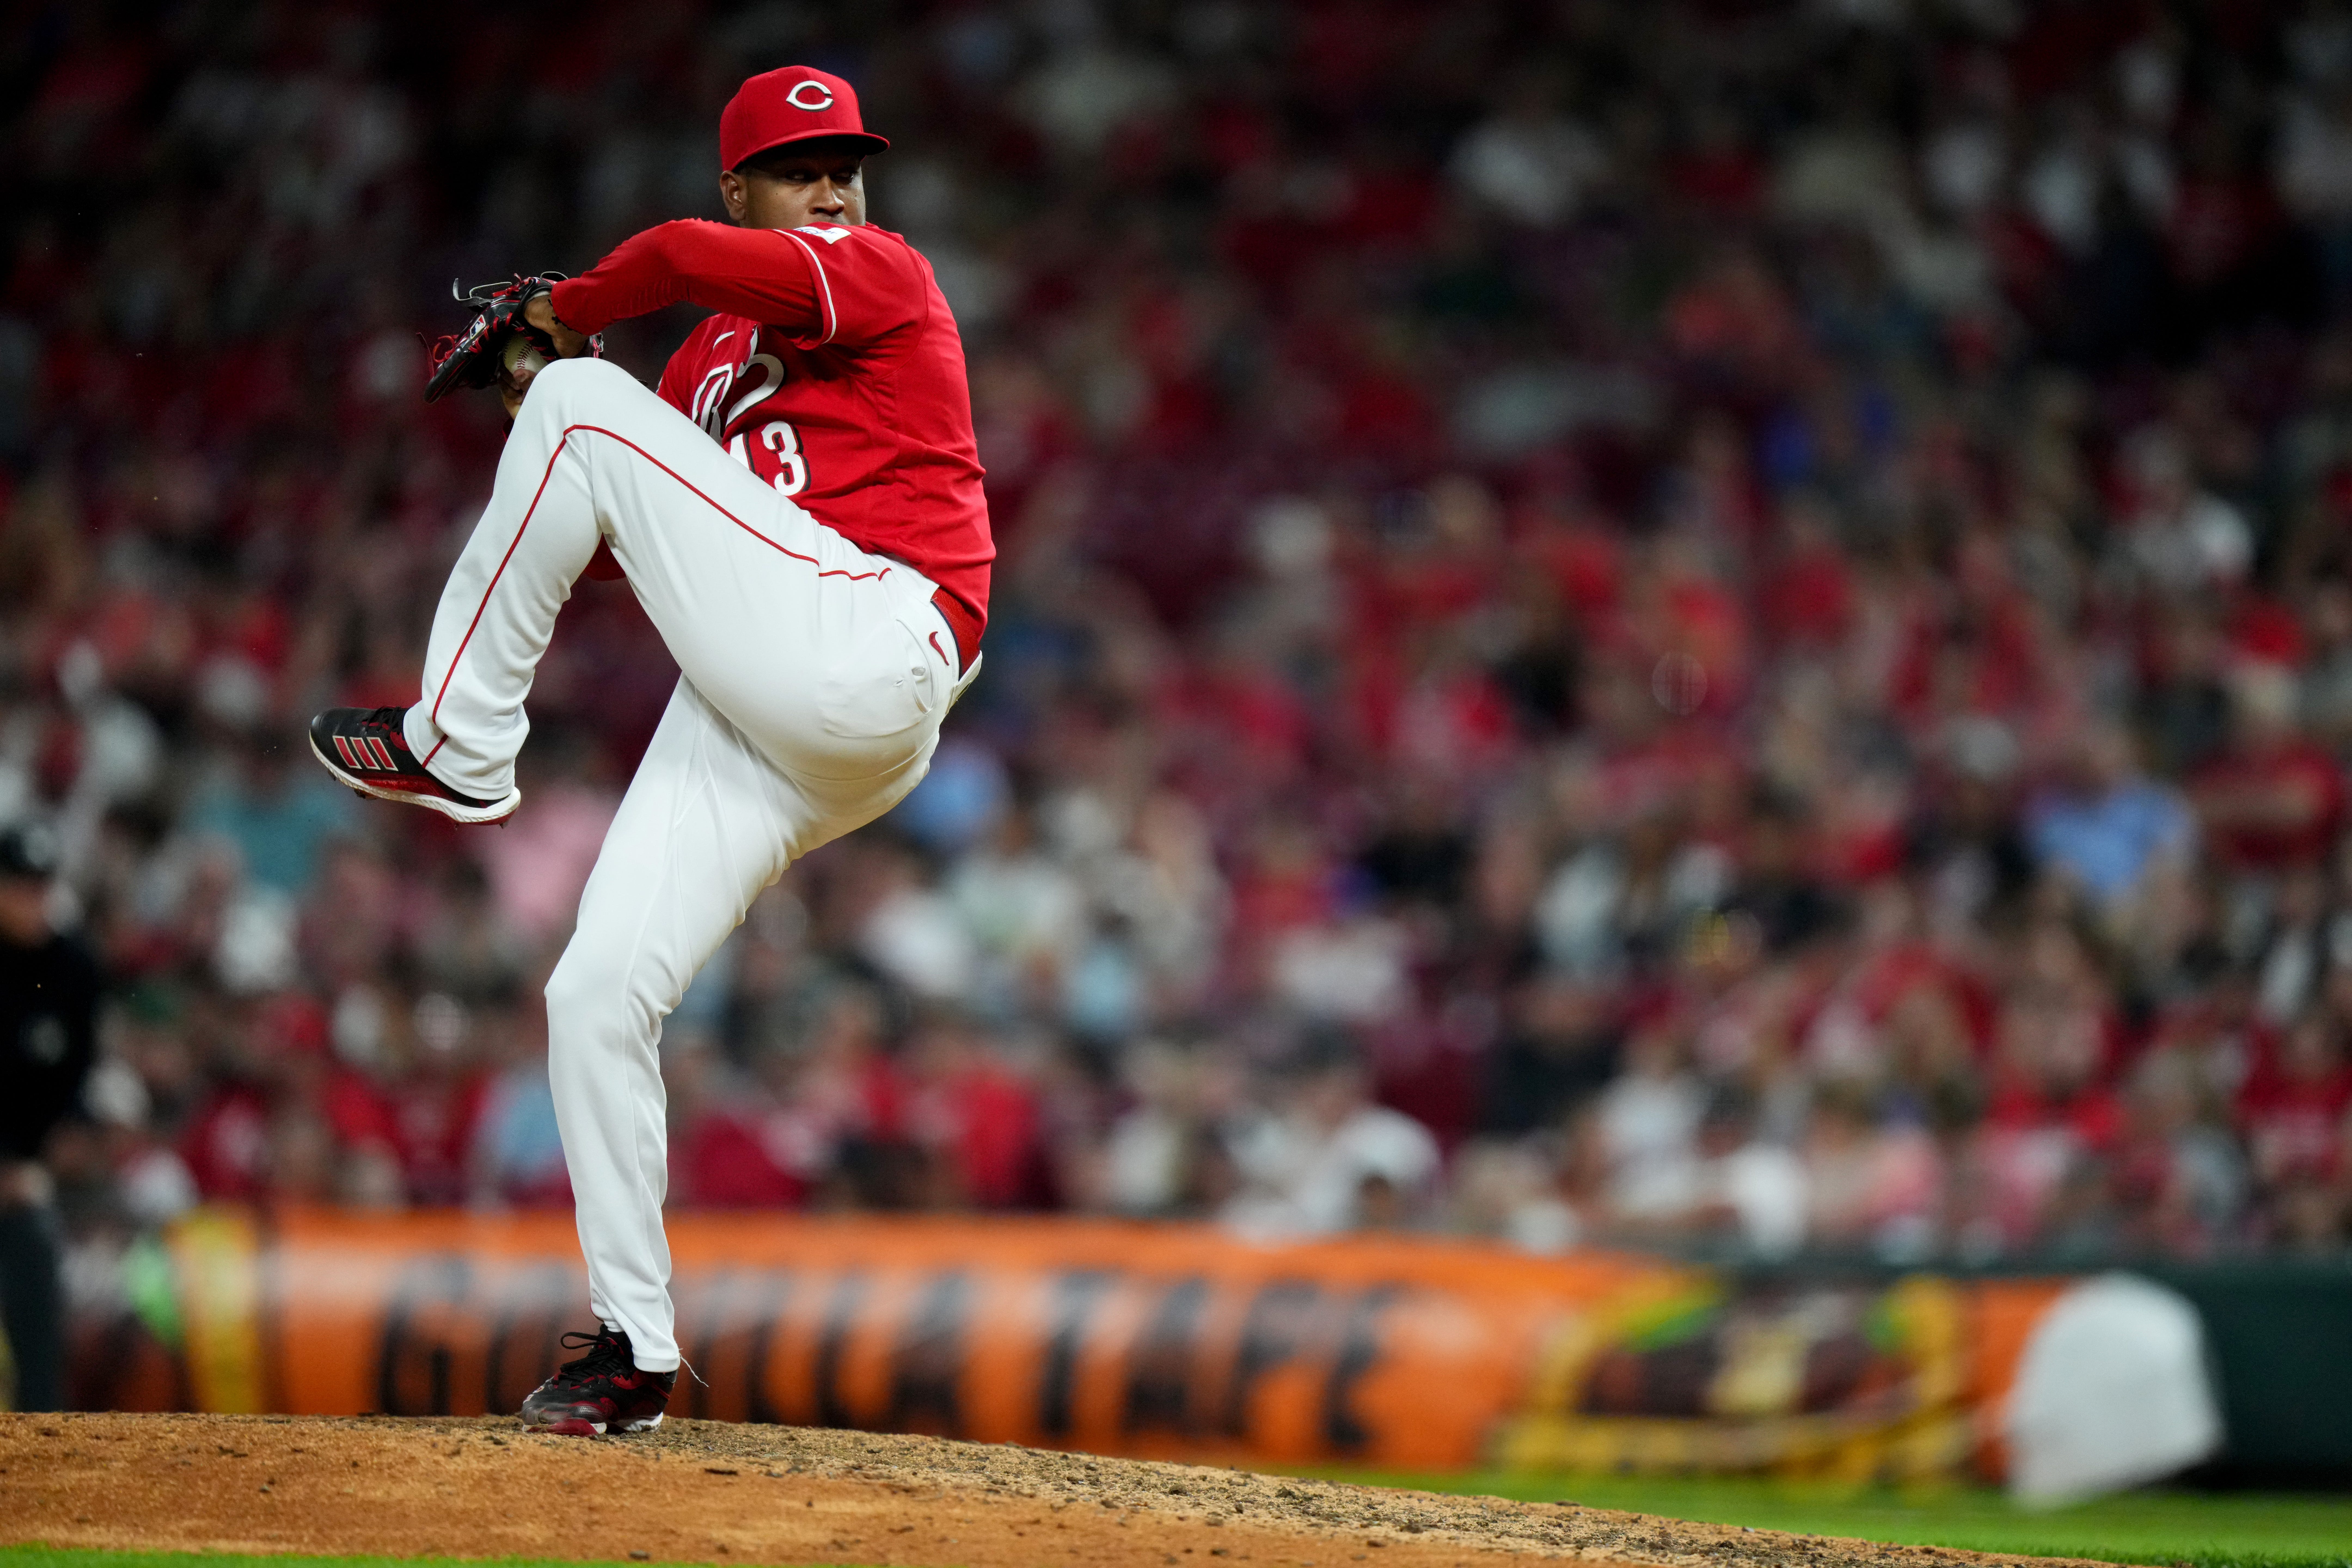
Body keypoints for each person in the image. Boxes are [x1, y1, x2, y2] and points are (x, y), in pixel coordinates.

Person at [305, 65, 990, 1436]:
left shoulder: (885, 272)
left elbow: (669, 261)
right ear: (743, 185)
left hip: (877, 636)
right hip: (772, 700)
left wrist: (557, 329)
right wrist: (539, 400)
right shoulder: (701, 369)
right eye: (801, 168)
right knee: (595, 993)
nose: (835, 186)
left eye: (847, 160)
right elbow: (625, 547)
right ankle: (634, 1350)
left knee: (578, 401)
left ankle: (458, 742)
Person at [0, 822, 100, 1412]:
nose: (32, 901)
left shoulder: (72, 969)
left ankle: (42, 1428)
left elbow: (75, 1084)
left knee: (37, 1245)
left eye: (41, 888)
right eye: (19, 887)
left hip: (30, 1179)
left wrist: (55, 1150)